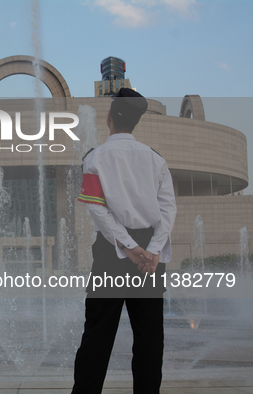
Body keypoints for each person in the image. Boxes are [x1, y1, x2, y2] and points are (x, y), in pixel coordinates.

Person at [72, 88, 177, 394]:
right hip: (150, 259)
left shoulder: (94, 159)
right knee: (149, 339)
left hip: (110, 254)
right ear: (136, 121)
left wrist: (128, 247)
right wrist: (153, 251)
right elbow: (168, 210)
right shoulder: (156, 160)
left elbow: (96, 207)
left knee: (97, 337)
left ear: (109, 118)